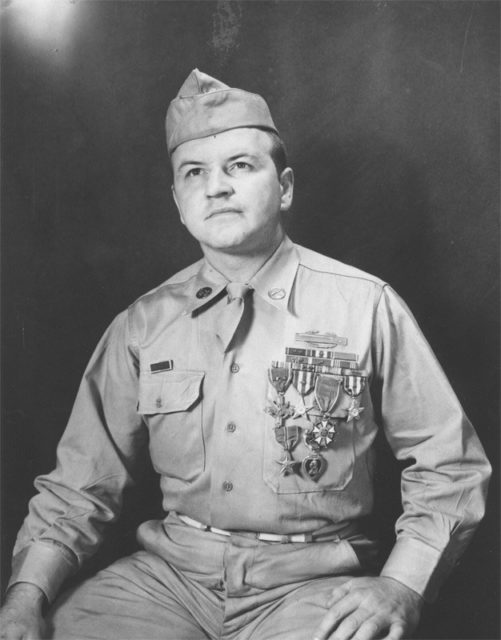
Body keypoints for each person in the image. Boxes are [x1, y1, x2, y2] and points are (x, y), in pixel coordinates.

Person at [0, 69, 491, 640]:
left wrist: (404, 583)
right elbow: (79, 483)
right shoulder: (142, 325)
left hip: (310, 583)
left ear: (283, 187)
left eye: (240, 165)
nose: (217, 187)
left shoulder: (364, 307)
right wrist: (25, 594)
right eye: (194, 173)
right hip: (168, 580)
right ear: (178, 200)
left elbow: (449, 465)